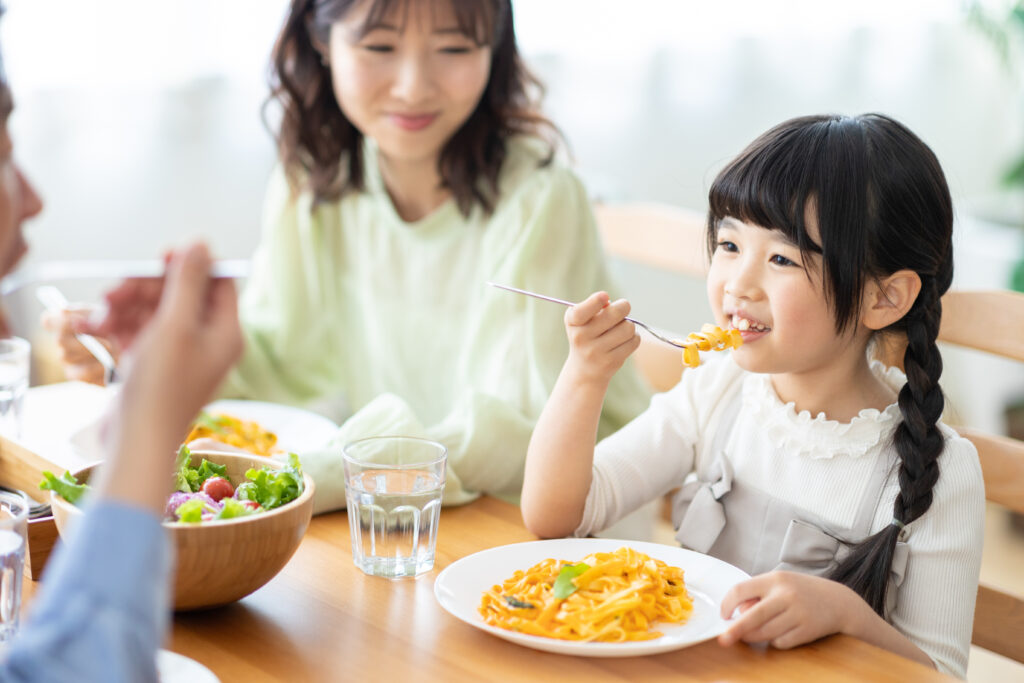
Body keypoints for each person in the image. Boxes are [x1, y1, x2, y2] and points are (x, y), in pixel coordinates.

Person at [50, 0, 651, 514]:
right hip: (408, 507)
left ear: (493, 46)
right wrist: (150, 353)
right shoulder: (317, 180)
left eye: (453, 48)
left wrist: (319, 476)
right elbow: (279, 361)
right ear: (321, 39)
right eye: (379, 45)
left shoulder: (541, 196)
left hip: (558, 521)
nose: (414, 85)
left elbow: (514, 433)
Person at [520, 113, 984, 677]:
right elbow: (554, 517)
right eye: (729, 243)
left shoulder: (942, 469)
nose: (737, 283)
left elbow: (941, 673)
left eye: (782, 258)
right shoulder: (719, 388)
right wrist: (584, 377)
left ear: (882, 298)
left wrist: (846, 614)